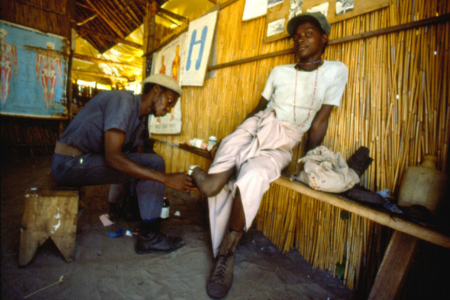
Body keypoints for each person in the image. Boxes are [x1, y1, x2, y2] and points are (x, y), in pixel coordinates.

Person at [189, 12, 348, 299]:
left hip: (282, 141)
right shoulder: (279, 71)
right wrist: (231, 139)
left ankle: (225, 247)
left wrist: (308, 160)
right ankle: (199, 181)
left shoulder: (336, 71)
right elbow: (257, 109)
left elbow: (320, 121)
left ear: (324, 38)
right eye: (297, 36)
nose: (300, 40)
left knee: (254, 174)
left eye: (308, 34)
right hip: (255, 127)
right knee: (220, 175)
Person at [51, 73, 194, 254]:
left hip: (83, 160)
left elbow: (137, 158)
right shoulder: (123, 102)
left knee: (152, 161)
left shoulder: (139, 120)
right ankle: (149, 237)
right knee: (154, 164)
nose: (169, 109)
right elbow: (113, 157)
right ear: (156, 90)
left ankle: (135, 212)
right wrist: (166, 179)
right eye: (170, 101)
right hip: (69, 163)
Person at [35, 41, 62, 109]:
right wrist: (36, 73)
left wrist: (60, 76)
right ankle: (47, 103)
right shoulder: (41, 54)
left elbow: (59, 67)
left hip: (51, 72)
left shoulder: (56, 57)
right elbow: (38, 64)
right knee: (46, 89)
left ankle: (50, 103)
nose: (49, 49)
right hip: (46, 71)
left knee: (51, 90)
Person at [0, 28, 18, 105]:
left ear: (5, 35)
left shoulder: (11, 46)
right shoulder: (11, 46)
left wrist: (16, 68)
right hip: (3, 63)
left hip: (7, 63)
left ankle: (5, 98)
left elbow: (14, 58)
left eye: (1, 33)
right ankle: (1, 97)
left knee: (6, 82)